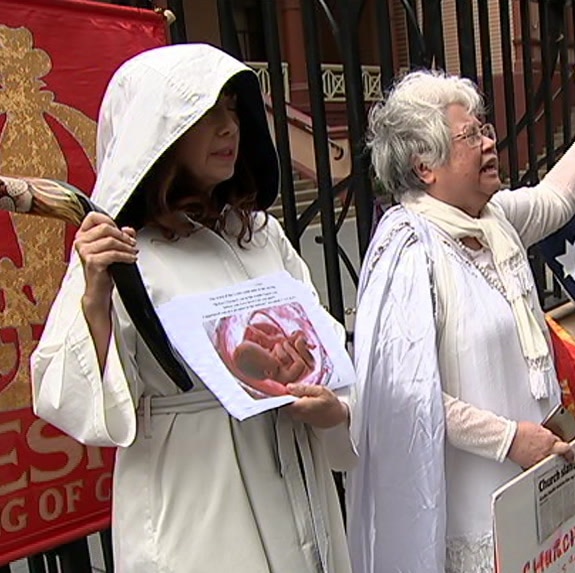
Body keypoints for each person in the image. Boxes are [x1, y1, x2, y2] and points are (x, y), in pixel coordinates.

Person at [31, 44, 355, 572]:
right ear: (157, 133)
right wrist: (95, 298)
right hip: (199, 496)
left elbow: (327, 347)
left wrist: (336, 409)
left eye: (232, 109)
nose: (230, 127)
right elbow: (73, 402)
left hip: (296, 472)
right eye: (208, 114)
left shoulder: (261, 237)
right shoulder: (121, 255)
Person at [347, 64, 575, 573]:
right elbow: (402, 390)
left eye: (485, 128)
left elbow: (556, 199)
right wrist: (509, 437)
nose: (490, 142)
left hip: (530, 477)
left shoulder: (492, 219)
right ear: (425, 164)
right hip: (472, 498)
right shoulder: (410, 250)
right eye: (472, 135)